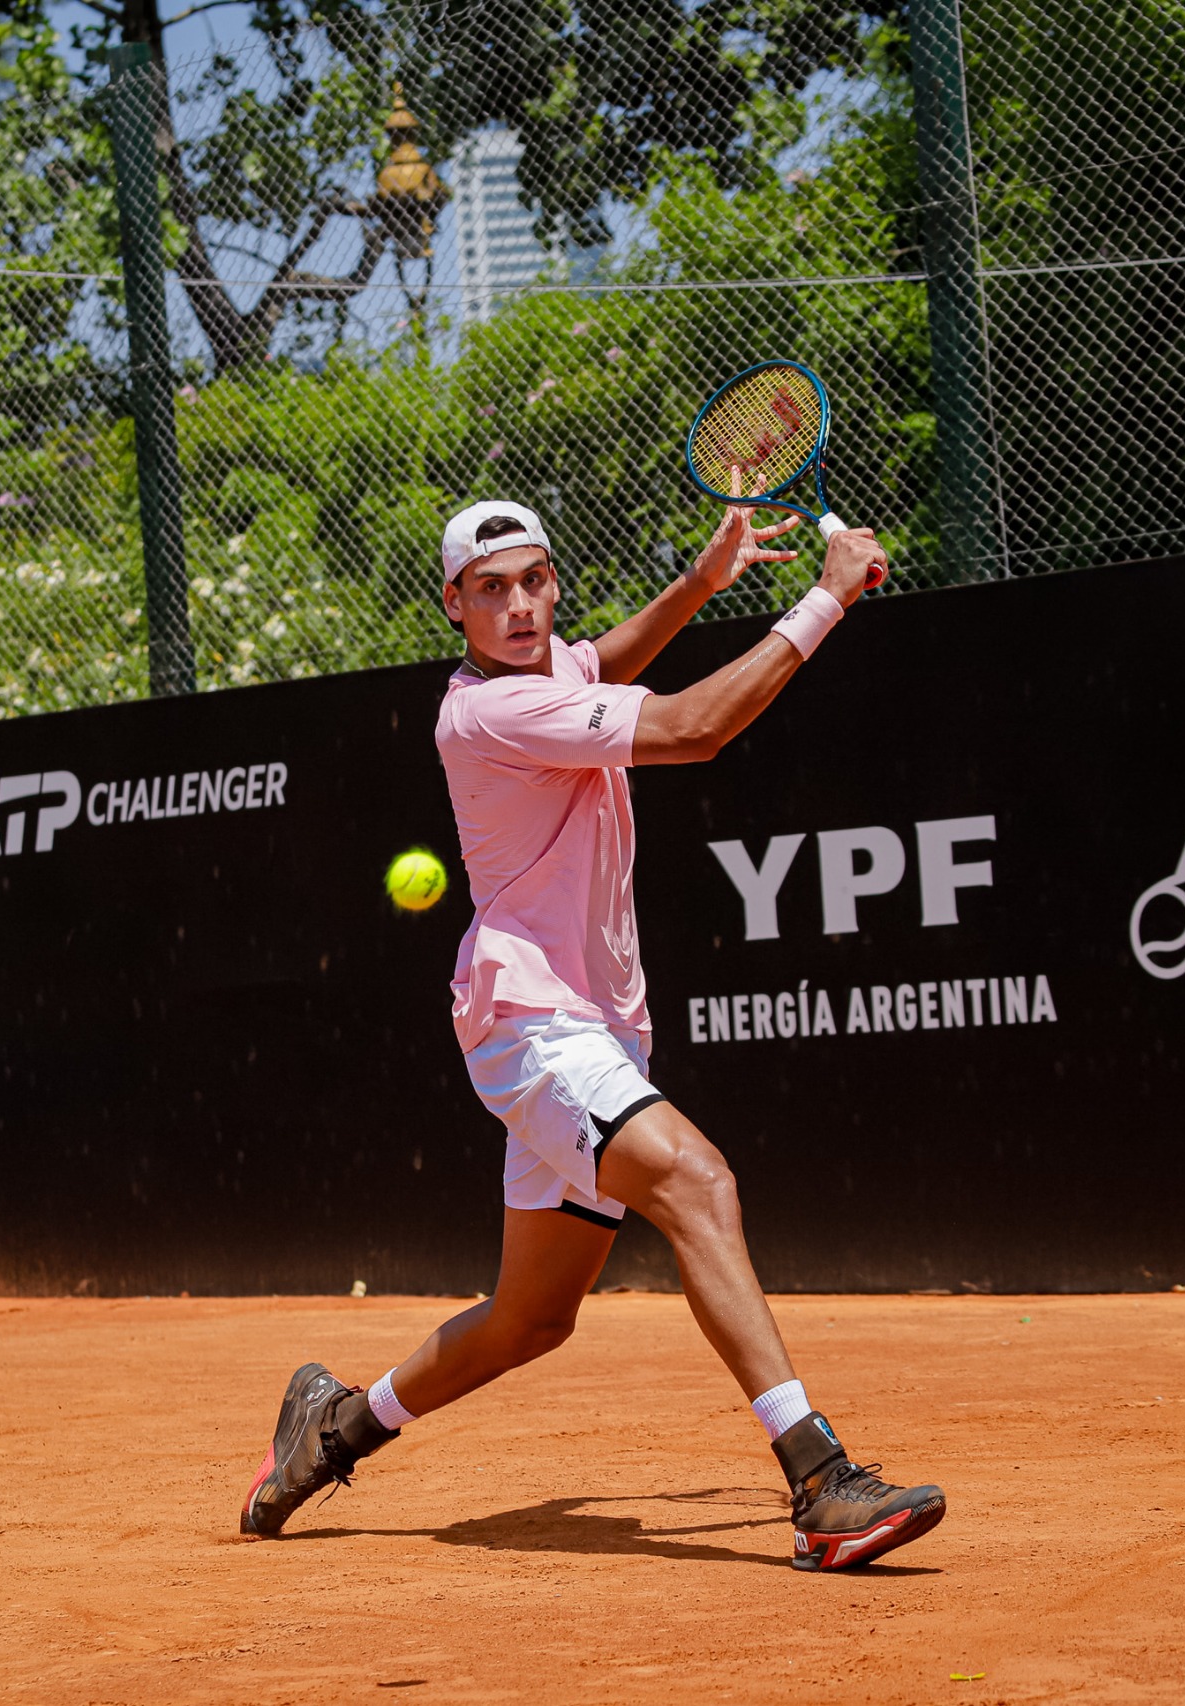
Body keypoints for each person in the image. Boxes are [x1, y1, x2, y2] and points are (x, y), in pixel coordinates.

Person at [240, 495, 943, 1572]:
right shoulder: (484, 713)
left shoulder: (543, 676)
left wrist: (702, 583)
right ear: (453, 607)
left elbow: (598, 663)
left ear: (554, 583)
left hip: (594, 1029)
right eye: (490, 589)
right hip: (533, 1025)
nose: (518, 605)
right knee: (699, 1183)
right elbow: (693, 727)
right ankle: (819, 1481)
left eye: (533, 580)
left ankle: (332, 1424)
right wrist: (825, 597)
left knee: (532, 1317)